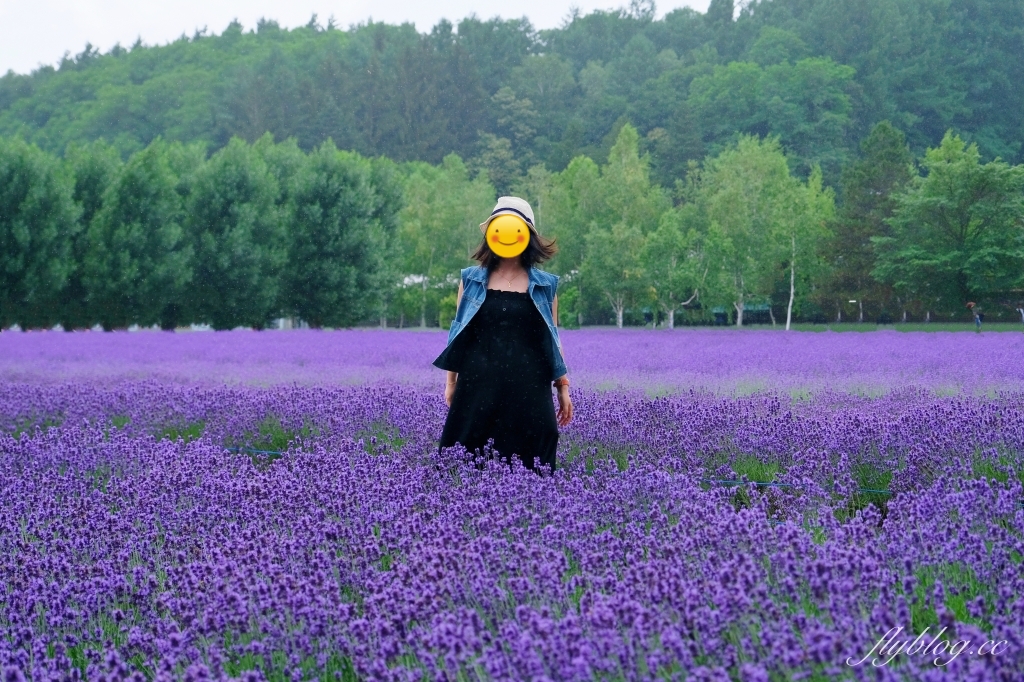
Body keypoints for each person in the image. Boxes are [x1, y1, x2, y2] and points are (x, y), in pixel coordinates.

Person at [433, 196, 573, 472]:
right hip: (478, 383)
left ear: (527, 236)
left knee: (537, 460)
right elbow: (459, 332)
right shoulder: (471, 279)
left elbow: (553, 341)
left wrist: (563, 387)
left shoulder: (546, 286)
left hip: (530, 387)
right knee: (463, 463)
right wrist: (451, 382)